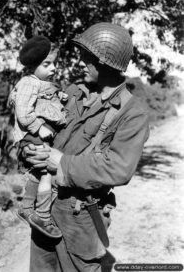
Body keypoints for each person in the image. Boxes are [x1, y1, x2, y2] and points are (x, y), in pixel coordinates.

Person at [22, 22, 150, 272]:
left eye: (87, 57)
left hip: (81, 215)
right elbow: (37, 125)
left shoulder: (134, 113)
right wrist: (30, 149)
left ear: (105, 62)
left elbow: (119, 168)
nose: (80, 62)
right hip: (44, 205)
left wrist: (60, 163)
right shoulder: (72, 93)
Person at [8, 35, 67, 239]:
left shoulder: (41, 83)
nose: (53, 68)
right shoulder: (28, 83)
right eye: (47, 64)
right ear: (33, 65)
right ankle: (42, 214)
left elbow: (46, 100)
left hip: (37, 134)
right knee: (47, 172)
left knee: (38, 171)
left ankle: (26, 206)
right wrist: (38, 127)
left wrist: (60, 97)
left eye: (55, 64)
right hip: (32, 134)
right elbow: (23, 113)